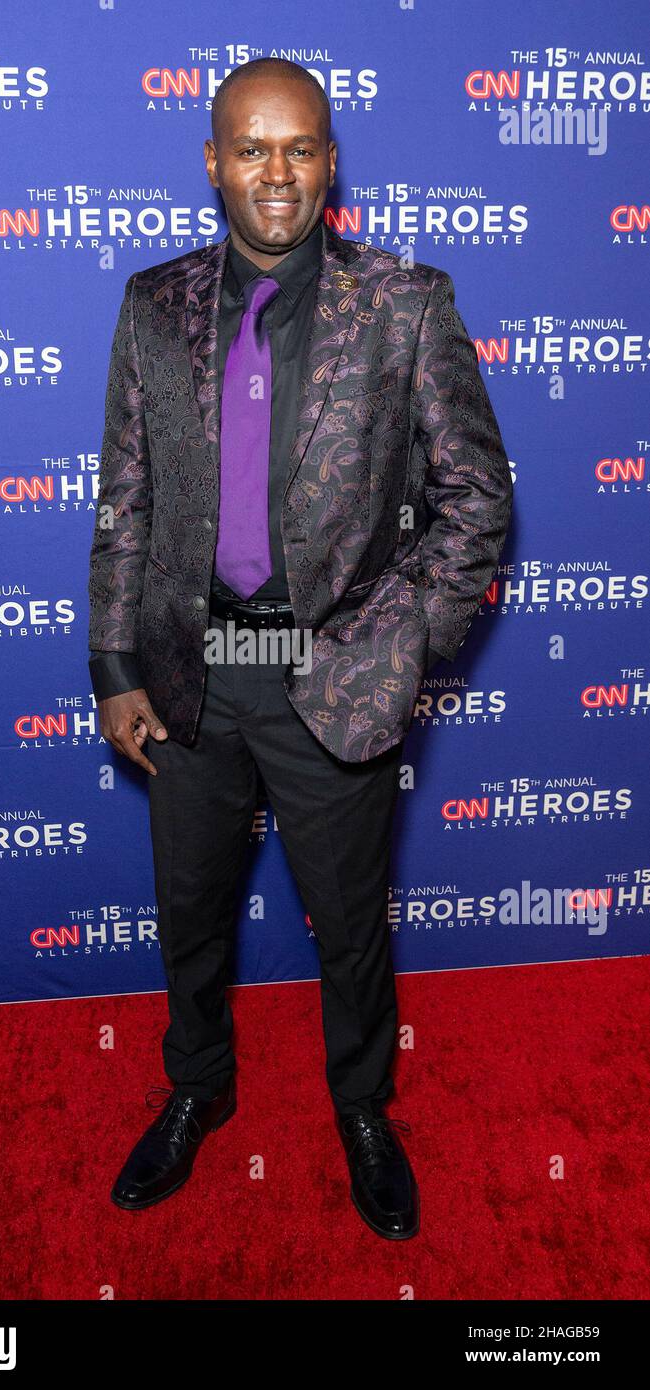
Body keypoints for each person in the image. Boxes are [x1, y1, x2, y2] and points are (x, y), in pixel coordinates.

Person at [87, 57, 512, 1240]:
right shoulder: (149, 304)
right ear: (213, 162)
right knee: (192, 913)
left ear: (329, 163)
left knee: (351, 921)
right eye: (250, 148)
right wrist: (115, 666)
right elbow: (123, 499)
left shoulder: (405, 303)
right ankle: (196, 1089)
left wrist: (401, 639)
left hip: (334, 679)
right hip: (186, 679)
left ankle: (362, 1107)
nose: (275, 171)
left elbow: (476, 495)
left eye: (299, 148)